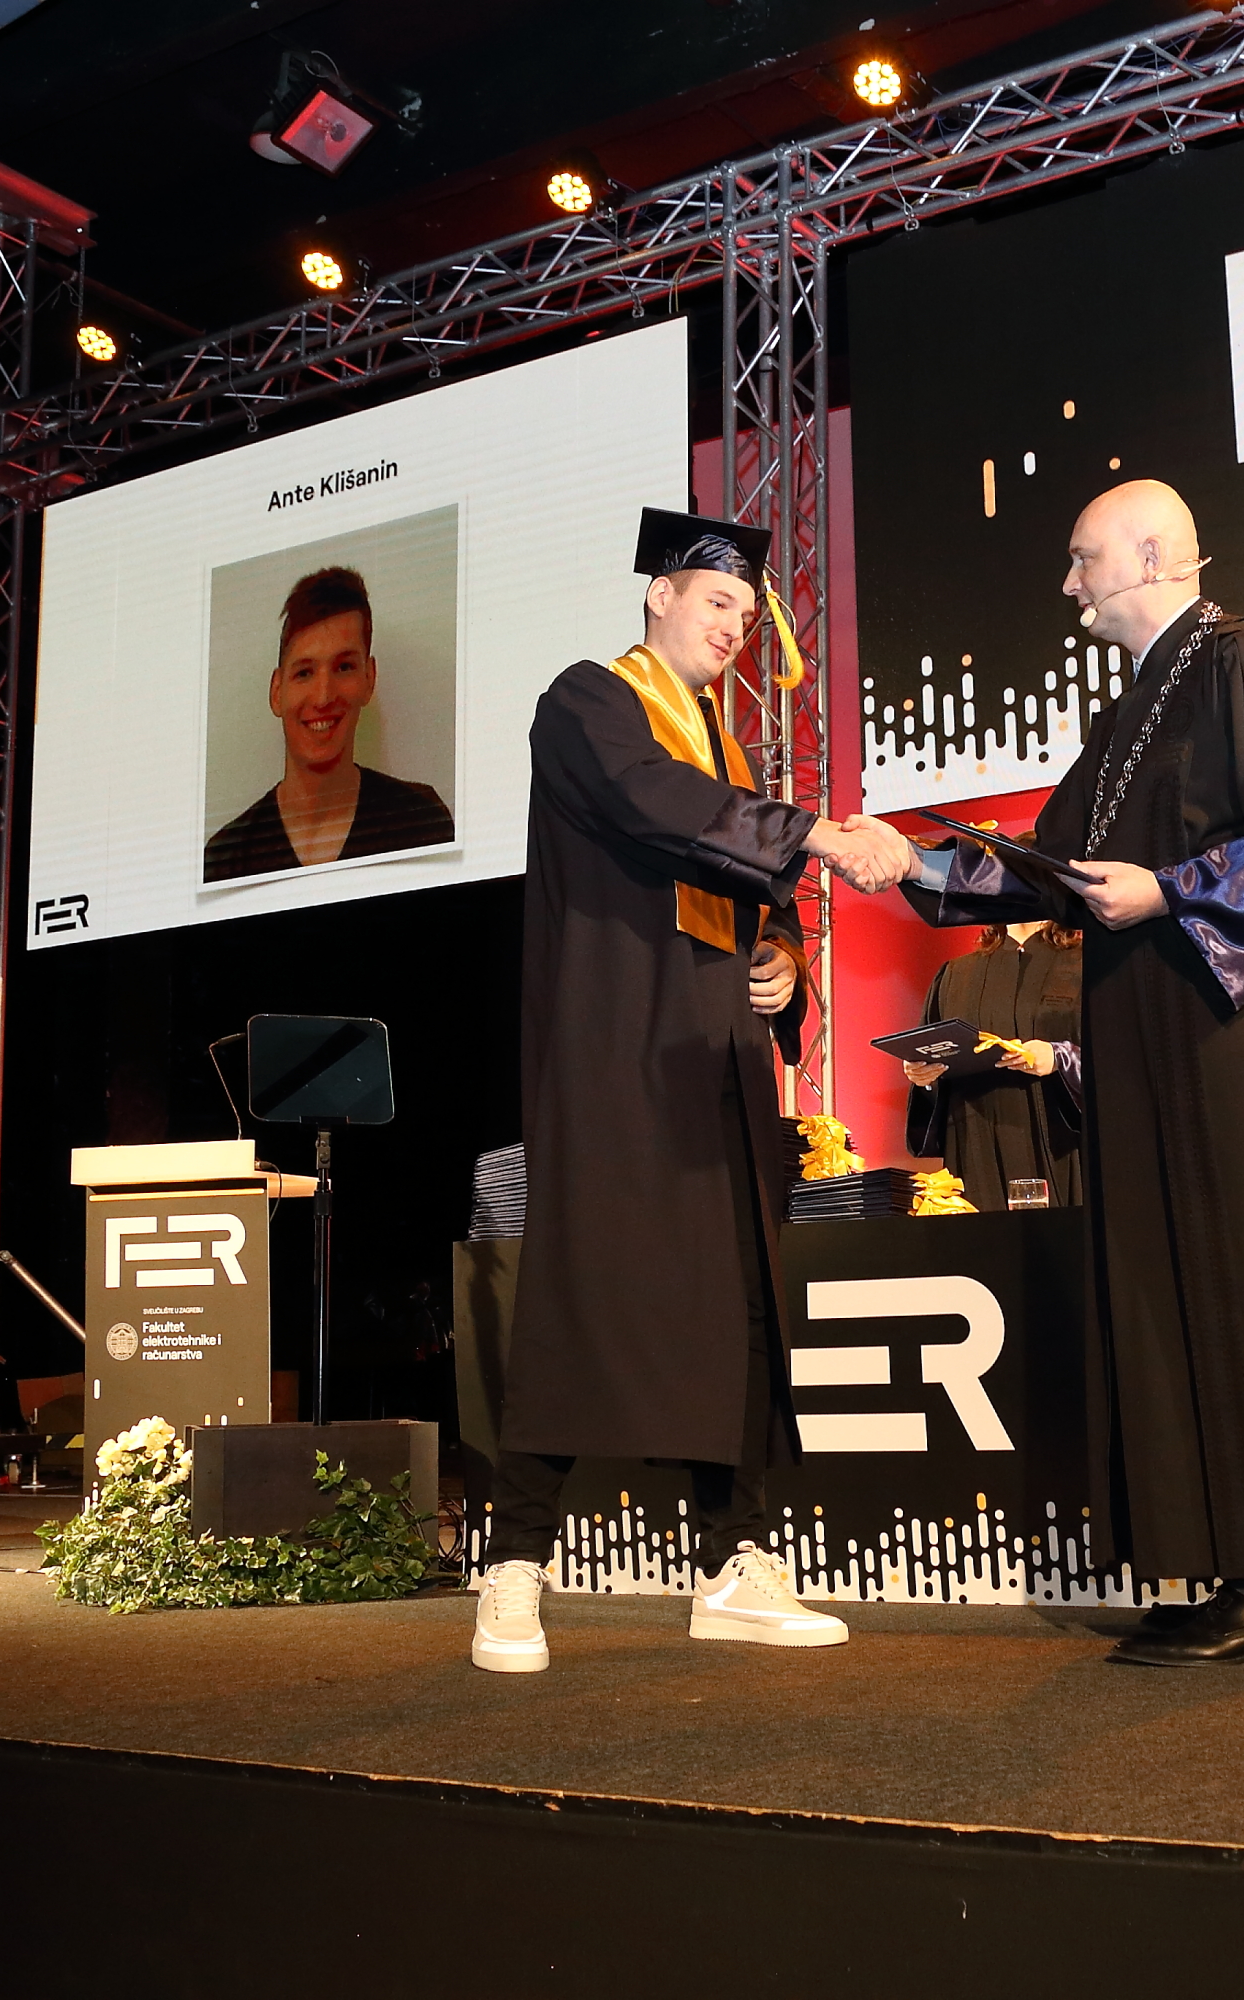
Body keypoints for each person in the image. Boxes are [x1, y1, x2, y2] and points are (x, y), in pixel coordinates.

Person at [899, 478, 1244, 1668]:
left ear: (1149, 556)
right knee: (1178, 1292)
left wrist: (1171, 891)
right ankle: (1240, 1567)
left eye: (1082, 559)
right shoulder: (1134, 703)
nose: (1067, 582)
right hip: (1153, 1049)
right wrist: (913, 863)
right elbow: (1055, 864)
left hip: (1239, 1052)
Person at [468, 508, 915, 1674]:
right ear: (658, 593)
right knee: (585, 1288)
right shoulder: (589, 701)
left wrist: (785, 959)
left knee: (738, 1304)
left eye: (747, 616)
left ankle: (732, 1562)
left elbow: (753, 889)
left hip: (714, 1054)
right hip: (615, 1041)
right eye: (717, 603)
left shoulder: (728, 749)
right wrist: (818, 833)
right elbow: (648, 801)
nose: (733, 630)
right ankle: (513, 1562)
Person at [204, 566, 453, 882]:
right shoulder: (223, 858)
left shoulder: (421, 821)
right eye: (304, 672)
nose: (323, 697)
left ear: (369, 678)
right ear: (277, 692)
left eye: (344, 667)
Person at [896, 913, 1086, 1207]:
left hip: (1061, 1145)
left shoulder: (1086, 965)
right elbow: (936, 1063)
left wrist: (1061, 1057)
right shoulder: (956, 975)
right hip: (975, 1147)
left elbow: (1124, 1062)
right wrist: (925, 1078)